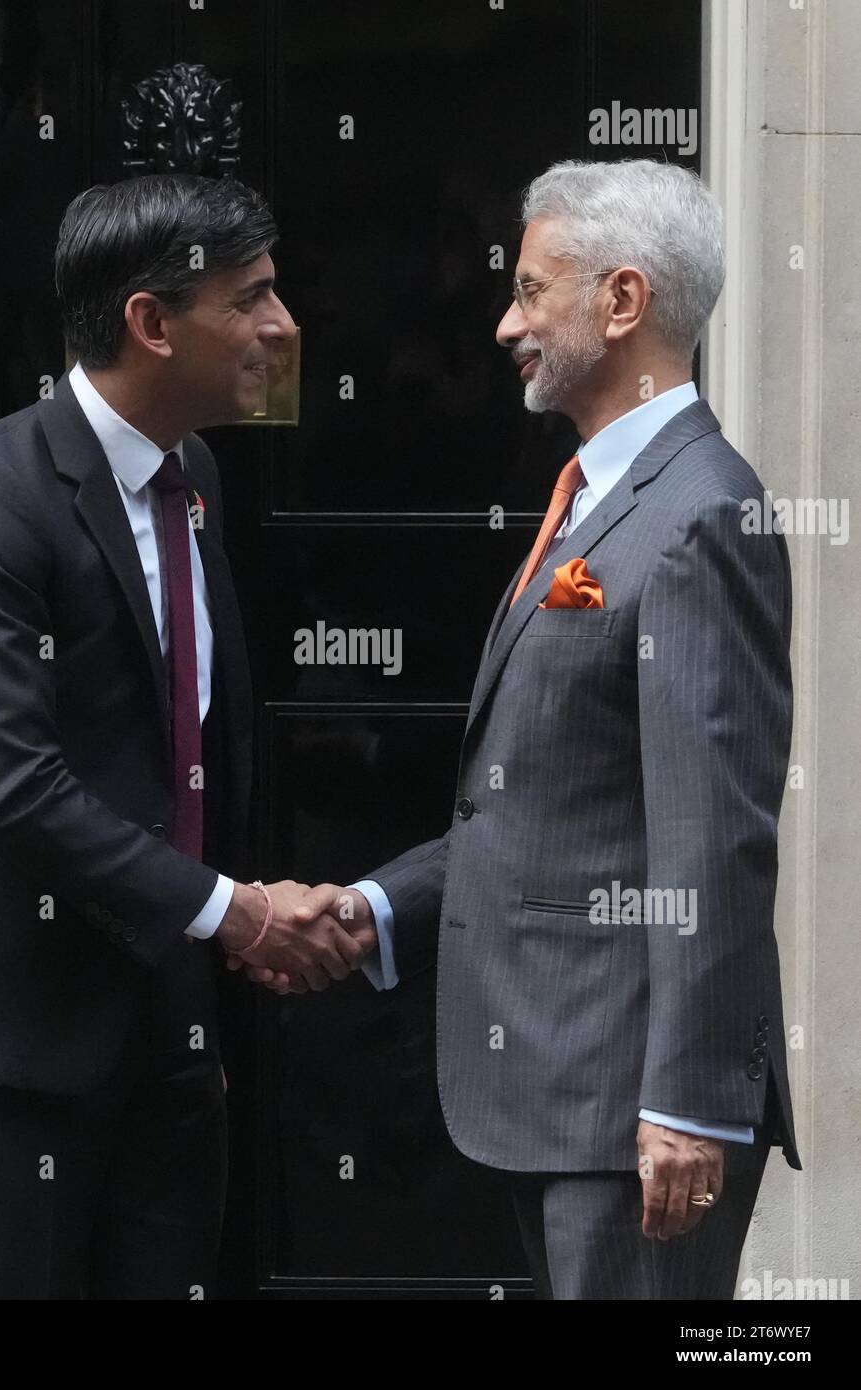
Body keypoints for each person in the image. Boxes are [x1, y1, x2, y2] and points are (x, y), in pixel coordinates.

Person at [237, 158, 801, 1301]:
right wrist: (377, 905)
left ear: (623, 302)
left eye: (533, 290)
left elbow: (714, 842)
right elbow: (543, 800)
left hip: (632, 1119)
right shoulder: (601, 495)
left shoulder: (698, 515)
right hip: (561, 1103)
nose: (504, 324)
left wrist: (688, 1104)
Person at [0, 173, 366, 1299]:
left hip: (172, 1026)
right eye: (254, 298)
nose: (283, 328)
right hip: (16, 1040)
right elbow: (12, 785)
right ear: (151, 321)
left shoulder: (197, 477)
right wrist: (233, 909)